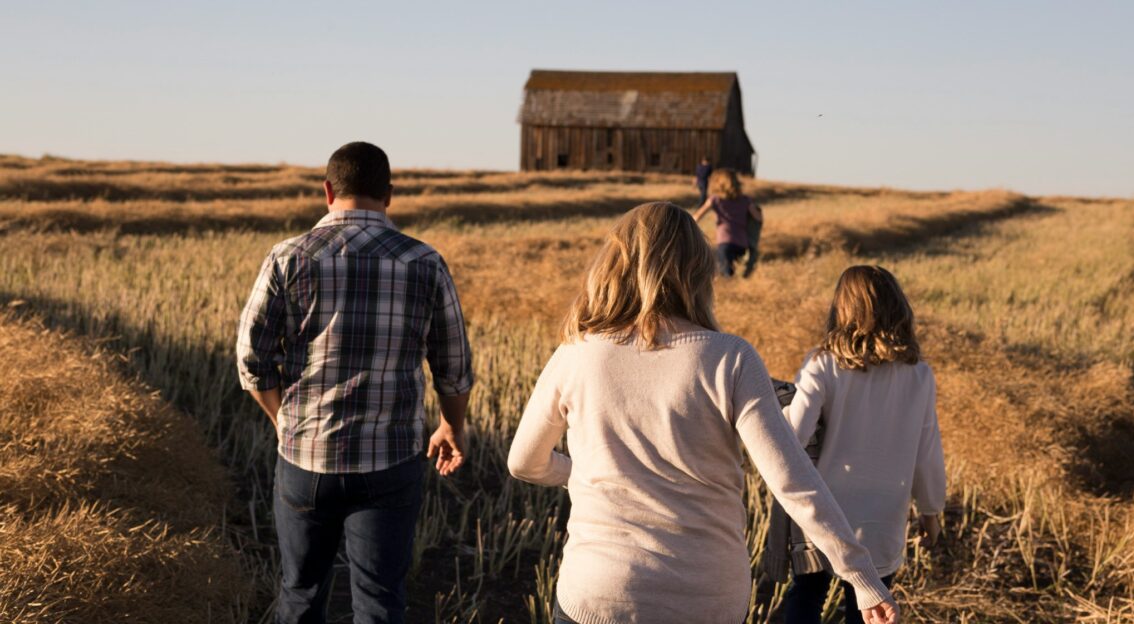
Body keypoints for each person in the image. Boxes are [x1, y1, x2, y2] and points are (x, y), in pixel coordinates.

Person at [506, 202, 899, 624]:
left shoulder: (577, 353)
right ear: (698, 269)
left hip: (598, 592)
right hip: (706, 598)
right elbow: (791, 480)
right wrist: (860, 575)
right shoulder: (730, 358)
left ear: (614, 264)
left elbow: (524, 462)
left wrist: (586, 475)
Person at [236, 141, 474, 624]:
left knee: (300, 596)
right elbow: (453, 365)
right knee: (380, 602)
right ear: (390, 194)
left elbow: (251, 358)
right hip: (390, 461)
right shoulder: (424, 262)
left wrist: (282, 420)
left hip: (305, 458)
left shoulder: (287, 257)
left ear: (327, 191)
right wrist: (452, 426)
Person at [778, 265, 946, 624]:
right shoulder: (919, 375)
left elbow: (793, 435)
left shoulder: (823, 364)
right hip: (884, 516)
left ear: (841, 309)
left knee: (807, 595)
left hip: (827, 512)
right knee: (869, 608)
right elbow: (926, 450)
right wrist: (931, 510)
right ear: (899, 309)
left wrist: (780, 403)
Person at [693, 168, 763, 277]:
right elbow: (758, 218)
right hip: (742, 244)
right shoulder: (745, 200)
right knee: (737, 275)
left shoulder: (715, 200)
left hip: (725, 242)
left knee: (725, 276)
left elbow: (697, 216)